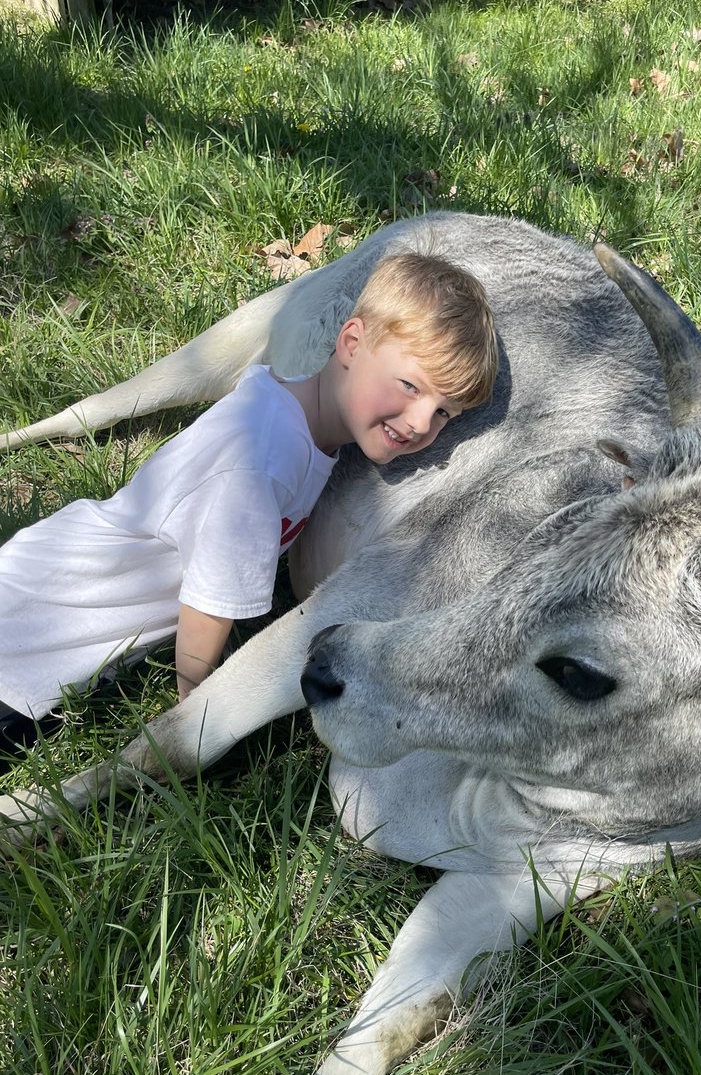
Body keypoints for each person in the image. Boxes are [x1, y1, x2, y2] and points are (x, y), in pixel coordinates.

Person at [0, 252, 498, 748]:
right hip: (32, 629)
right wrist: (193, 713)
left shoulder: (298, 423)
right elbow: (206, 607)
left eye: (444, 414)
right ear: (351, 342)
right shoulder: (260, 461)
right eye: (410, 386)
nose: (419, 423)